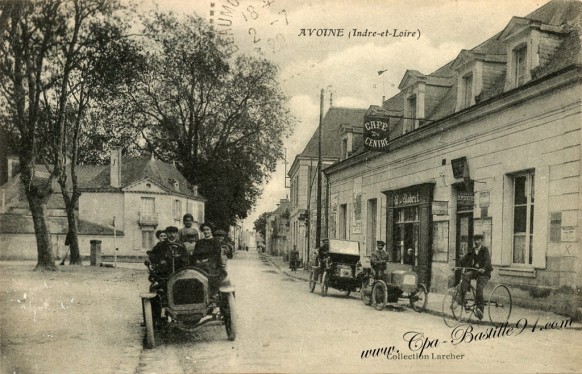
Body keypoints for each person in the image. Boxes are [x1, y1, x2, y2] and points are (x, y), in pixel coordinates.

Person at [191, 223, 226, 312]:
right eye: (204, 230)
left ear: (211, 231)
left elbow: (216, 255)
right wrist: (197, 260)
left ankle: (212, 297)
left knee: (209, 272)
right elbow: (195, 254)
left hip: (212, 263)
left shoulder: (215, 241)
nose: (206, 232)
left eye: (208, 230)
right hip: (199, 264)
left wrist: (207, 261)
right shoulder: (199, 242)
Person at [458, 234, 492, 320]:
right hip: (476, 271)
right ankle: (461, 299)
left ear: (481, 241)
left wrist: (483, 268)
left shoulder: (485, 250)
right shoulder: (473, 250)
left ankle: (480, 309)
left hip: (485, 273)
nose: (476, 242)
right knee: (466, 275)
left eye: (478, 240)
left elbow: (487, 261)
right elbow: (466, 258)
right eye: (475, 240)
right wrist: (458, 265)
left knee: (479, 288)